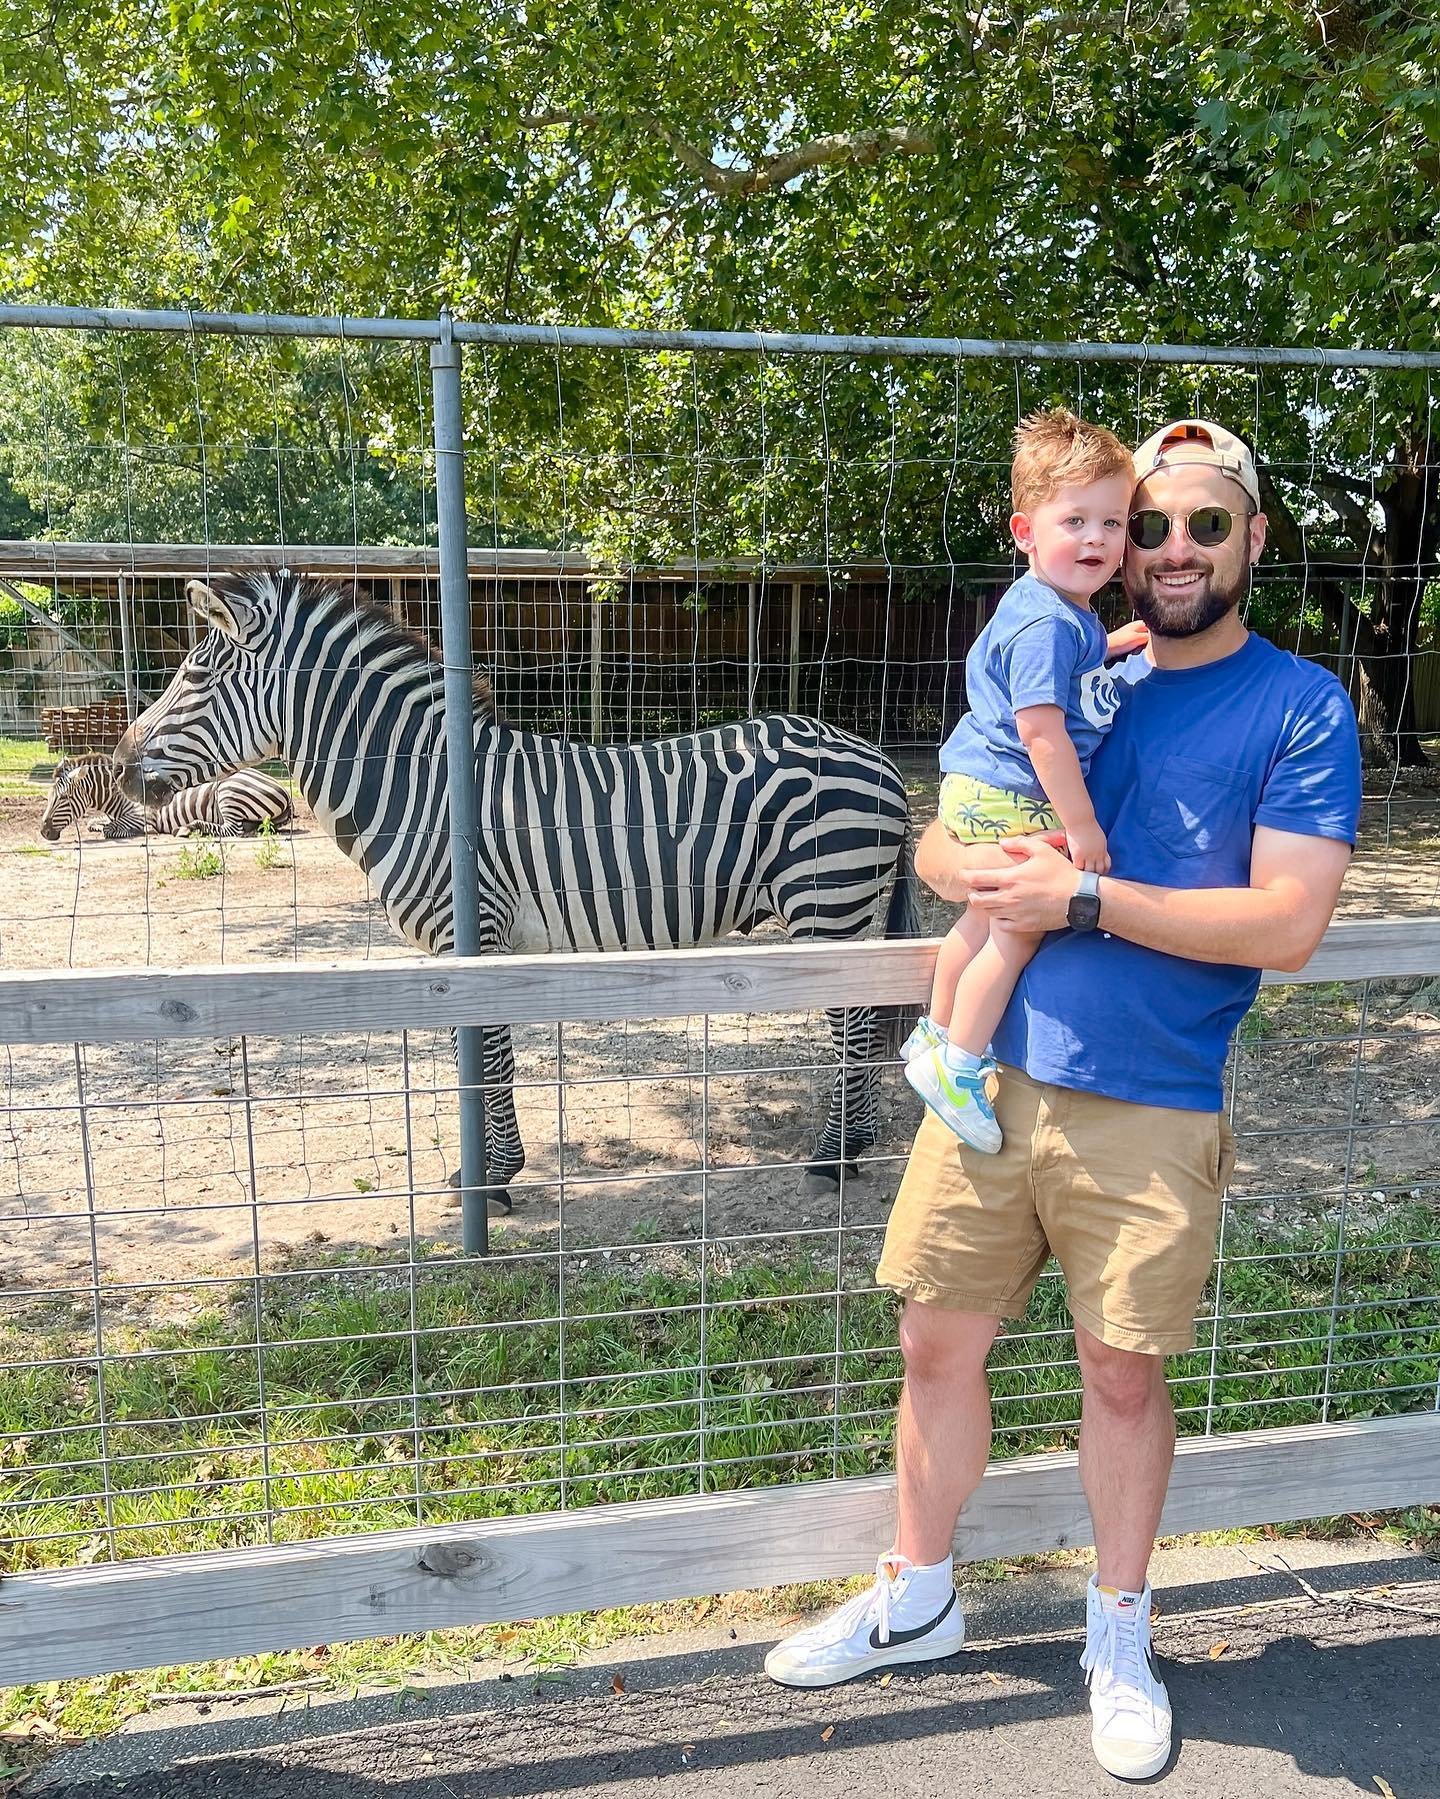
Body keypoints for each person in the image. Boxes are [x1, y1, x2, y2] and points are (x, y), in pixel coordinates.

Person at [764, 419, 1362, 1783]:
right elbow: (950, 820)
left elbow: (1288, 923)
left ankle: (1119, 1630)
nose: (1168, 549)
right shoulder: (1080, 650)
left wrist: (1081, 894)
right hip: (988, 1080)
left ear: (1256, 539)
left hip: (1149, 1100)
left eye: (1206, 525)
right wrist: (957, 853)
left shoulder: (1299, 703)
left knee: (1121, 1372)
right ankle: (917, 1591)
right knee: (933, 1345)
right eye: (1147, 524)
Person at [904, 408, 1148, 1155]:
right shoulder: (1048, 621)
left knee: (975, 923)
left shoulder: (1054, 612)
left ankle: (932, 1032)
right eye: (1075, 519)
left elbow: (1057, 673)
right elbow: (1043, 730)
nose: (1097, 539)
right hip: (1014, 792)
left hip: (972, 788)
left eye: (1113, 522)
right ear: (1024, 530)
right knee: (1015, 931)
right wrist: (1082, 826)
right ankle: (960, 1065)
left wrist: (1108, 643)